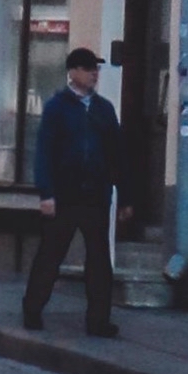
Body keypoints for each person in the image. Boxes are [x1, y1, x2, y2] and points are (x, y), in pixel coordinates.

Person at [22, 46, 123, 337]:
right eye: (89, 68)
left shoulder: (104, 109)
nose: (95, 73)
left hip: (95, 197)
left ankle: (98, 320)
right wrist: (46, 194)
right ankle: (32, 309)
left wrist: (124, 194)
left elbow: (116, 153)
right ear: (73, 72)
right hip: (64, 196)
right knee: (50, 257)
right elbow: (44, 153)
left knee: (99, 262)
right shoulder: (57, 107)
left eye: (97, 68)